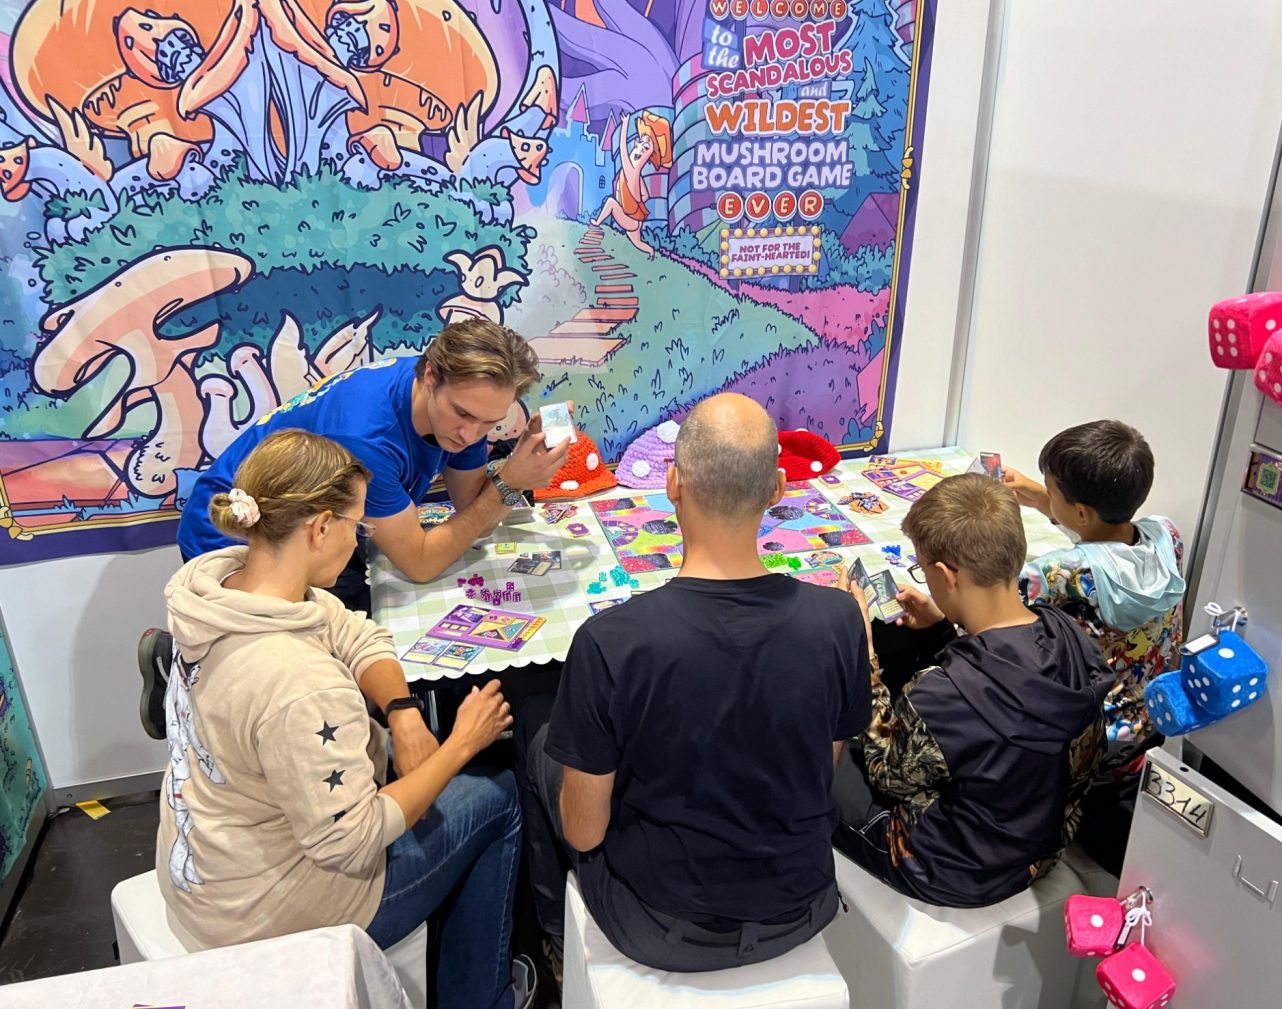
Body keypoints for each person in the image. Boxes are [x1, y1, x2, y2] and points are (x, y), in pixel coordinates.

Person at [157, 429, 533, 1009]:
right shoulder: (298, 684)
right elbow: (351, 842)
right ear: (319, 528)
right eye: (357, 526)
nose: (359, 541)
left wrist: (404, 713)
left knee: (429, 769)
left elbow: (353, 631)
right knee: (498, 795)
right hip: (269, 923)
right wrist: (461, 744)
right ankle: (481, 998)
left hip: (208, 875)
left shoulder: (220, 587)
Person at [516, 394, 871, 973]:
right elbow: (821, 768)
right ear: (779, 488)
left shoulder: (612, 641)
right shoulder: (839, 618)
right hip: (802, 904)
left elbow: (583, 834)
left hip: (659, 925)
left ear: (672, 483)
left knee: (537, 726)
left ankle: (553, 940)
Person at [140, 317, 567, 741]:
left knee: (351, 638)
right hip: (240, 526)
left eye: (489, 422)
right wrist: (509, 482)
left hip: (322, 529)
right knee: (289, 675)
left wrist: (515, 477)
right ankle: (189, 674)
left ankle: (196, 662)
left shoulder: (460, 400)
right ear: (431, 376)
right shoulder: (368, 436)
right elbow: (420, 562)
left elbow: (472, 512)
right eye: (463, 414)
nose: (471, 434)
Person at [834, 473, 1108, 907]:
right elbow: (1004, 688)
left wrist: (861, 662)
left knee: (816, 752)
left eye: (923, 569)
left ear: (946, 574)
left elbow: (888, 775)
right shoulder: (1069, 636)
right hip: (1041, 849)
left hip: (951, 869)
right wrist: (943, 632)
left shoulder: (940, 695)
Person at [1004, 419, 1186, 873]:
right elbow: (1107, 546)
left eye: (1053, 491)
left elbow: (991, 601)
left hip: (1088, 742)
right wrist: (1041, 498)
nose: (1047, 494)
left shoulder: (1054, 572)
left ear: (1082, 512)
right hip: (1156, 720)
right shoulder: (1167, 537)